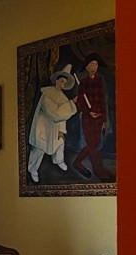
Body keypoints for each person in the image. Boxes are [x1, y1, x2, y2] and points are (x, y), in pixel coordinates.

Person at [27, 64, 78, 183]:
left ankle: (58, 160)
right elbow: (55, 113)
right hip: (43, 125)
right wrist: (71, 105)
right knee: (39, 147)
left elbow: (62, 119)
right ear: (56, 80)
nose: (62, 84)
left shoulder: (63, 98)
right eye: (61, 81)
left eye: (65, 83)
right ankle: (33, 169)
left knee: (60, 142)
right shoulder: (47, 93)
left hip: (55, 127)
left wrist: (62, 131)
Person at [73, 53, 113, 181]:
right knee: (92, 144)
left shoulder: (100, 80)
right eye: (91, 64)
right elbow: (80, 102)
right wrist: (88, 112)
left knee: (95, 142)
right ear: (86, 67)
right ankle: (97, 169)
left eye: (95, 64)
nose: (93, 67)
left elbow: (102, 100)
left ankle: (77, 162)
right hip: (88, 118)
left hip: (99, 118)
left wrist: (104, 119)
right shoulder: (83, 83)